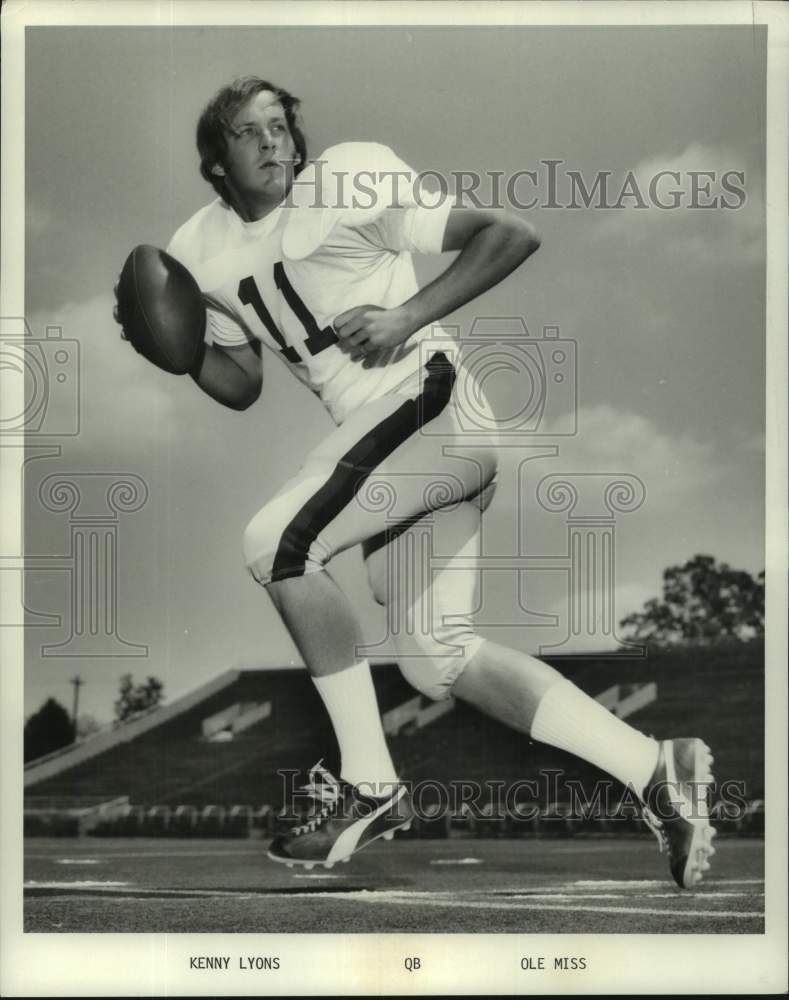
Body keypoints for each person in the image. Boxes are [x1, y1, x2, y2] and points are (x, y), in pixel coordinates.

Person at [115, 76, 716, 888]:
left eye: (280, 126)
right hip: (391, 447)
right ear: (213, 159)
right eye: (247, 132)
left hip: (429, 405)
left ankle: (368, 783)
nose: (274, 143)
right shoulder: (199, 246)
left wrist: (406, 315)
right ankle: (654, 768)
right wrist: (178, 353)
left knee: (277, 543)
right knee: (436, 657)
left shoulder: (348, 180)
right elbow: (240, 382)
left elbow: (509, 232)